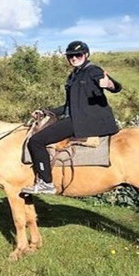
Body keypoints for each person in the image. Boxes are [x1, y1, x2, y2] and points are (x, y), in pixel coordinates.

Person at [21, 40, 123, 195]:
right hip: (76, 119)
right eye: (71, 56)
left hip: (86, 121)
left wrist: (109, 84)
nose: (74, 58)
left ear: (86, 55)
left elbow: (114, 86)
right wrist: (46, 112)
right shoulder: (73, 76)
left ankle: (46, 183)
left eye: (78, 55)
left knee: (36, 141)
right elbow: (69, 106)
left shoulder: (92, 70)